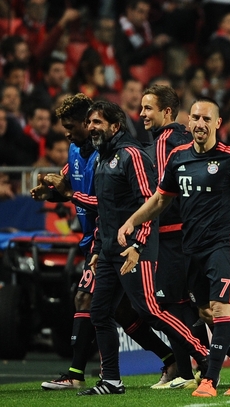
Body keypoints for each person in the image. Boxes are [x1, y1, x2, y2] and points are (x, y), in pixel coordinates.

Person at [120, 97, 230, 397]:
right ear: (188, 122)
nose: (200, 124)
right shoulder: (178, 157)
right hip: (190, 249)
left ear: (217, 124)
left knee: (221, 309)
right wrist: (131, 221)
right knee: (208, 313)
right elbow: (160, 200)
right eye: (195, 118)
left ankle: (209, 379)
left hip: (222, 244)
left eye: (207, 119)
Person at [33, 94, 177, 391]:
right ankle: (170, 358)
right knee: (119, 312)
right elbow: (67, 183)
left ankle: (78, 373)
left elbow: (112, 202)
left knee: (99, 302)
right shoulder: (77, 150)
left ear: (93, 123)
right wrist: (52, 191)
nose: (69, 133)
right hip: (98, 240)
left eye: (75, 125)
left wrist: (70, 195)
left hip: (122, 239)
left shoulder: (113, 155)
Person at [68, 101, 209, 396]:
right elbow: (106, 211)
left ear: (115, 126)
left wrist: (138, 244)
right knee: (100, 313)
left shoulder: (131, 155)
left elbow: (149, 204)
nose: (92, 127)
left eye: (98, 122)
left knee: (150, 310)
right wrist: (96, 248)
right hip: (108, 250)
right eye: (90, 122)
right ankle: (112, 380)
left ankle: (205, 356)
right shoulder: (101, 159)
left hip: (135, 248)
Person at [138, 85, 204, 389]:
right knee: (185, 305)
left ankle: (191, 370)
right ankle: (192, 370)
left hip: (172, 233)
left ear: (166, 111)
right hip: (183, 231)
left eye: (148, 108)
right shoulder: (181, 138)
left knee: (172, 305)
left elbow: (165, 192)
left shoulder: (167, 141)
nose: (142, 115)